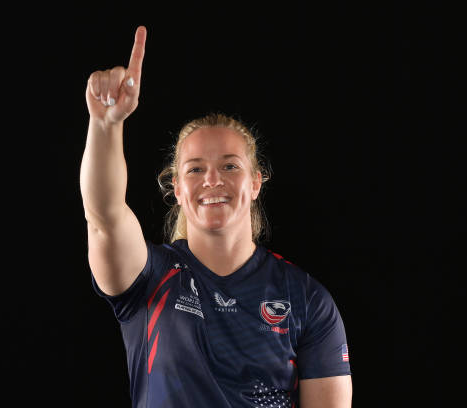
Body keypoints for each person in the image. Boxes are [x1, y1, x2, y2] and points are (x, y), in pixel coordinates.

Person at [80, 25, 352, 408]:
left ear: (256, 182)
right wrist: (107, 126)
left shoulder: (305, 299)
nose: (212, 180)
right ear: (176, 187)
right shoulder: (149, 278)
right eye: (194, 169)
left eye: (229, 166)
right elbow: (104, 216)